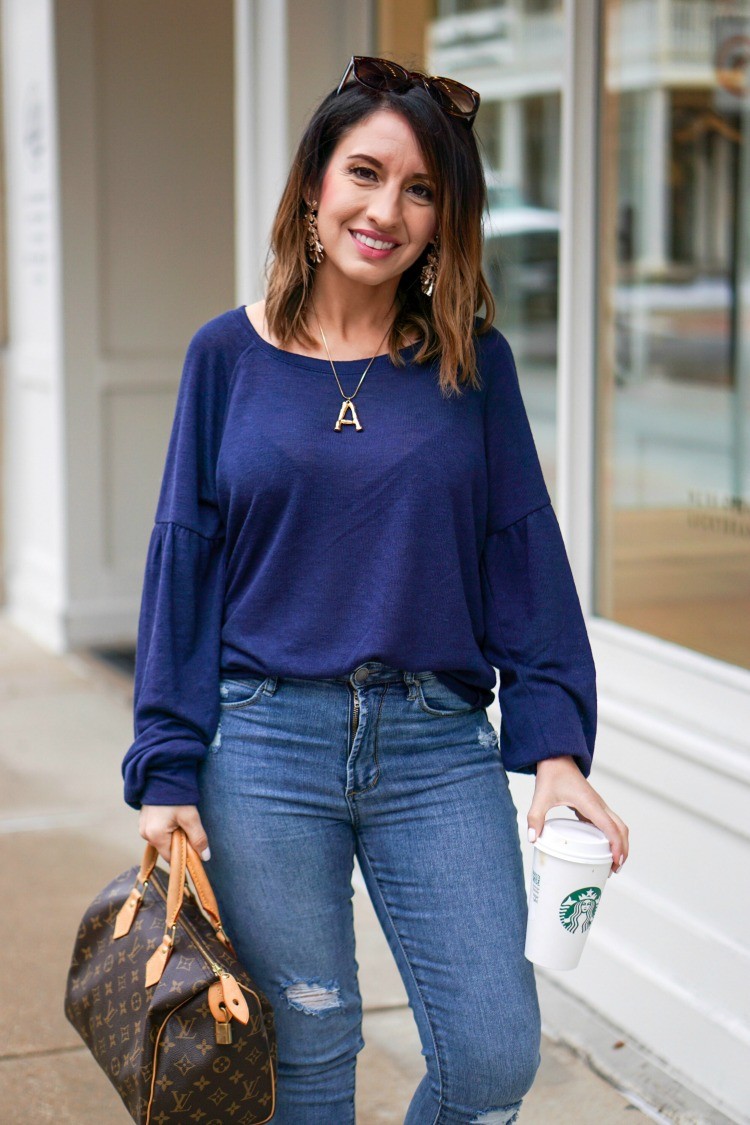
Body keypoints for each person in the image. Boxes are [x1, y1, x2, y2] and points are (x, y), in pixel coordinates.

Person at [123, 55, 629, 1125]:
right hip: (264, 747)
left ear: (445, 221)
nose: (385, 209)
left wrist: (556, 750)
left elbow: (523, 560)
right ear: (314, 186)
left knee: (493, 1056)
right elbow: (184, 560)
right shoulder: (225, 358)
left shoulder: (471, 367)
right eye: (364, 172)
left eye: (421, 190)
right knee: (309, 1049)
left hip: (436, 746)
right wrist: (166, 766)